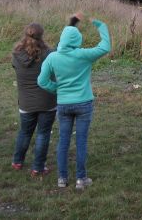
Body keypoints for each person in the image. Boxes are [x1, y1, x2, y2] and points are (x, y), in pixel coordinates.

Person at [38, 13, 111, 190]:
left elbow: (42, 81)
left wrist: (56, 88)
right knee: (81, 141)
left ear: (62, 38)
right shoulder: (84, 55)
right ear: (77, 39)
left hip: (63, 104)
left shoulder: (53, 57)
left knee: (63, 140)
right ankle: (81, 179)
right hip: (84, 103)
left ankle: (62, 179)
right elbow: (105, 47)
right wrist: (101, 26)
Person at [11, 23, 56, 177]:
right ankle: (38, 167)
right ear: (42, 36)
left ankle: (17, 161)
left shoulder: (16, 54)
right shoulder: (49, 54)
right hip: (47, 101)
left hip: (26, 102)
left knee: (25, 132)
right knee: (43, 133)